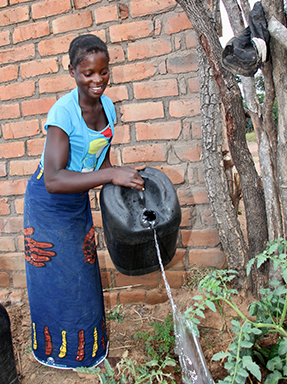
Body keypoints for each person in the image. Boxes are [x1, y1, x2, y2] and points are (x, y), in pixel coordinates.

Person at [24, 34, 144, 370]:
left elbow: (101, 162)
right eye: (87, 73)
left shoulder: (107, 107)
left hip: (75, 203)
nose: (97, 80)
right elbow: (54, 178)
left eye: (103, 72)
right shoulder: (63, 113)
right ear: (73, 71)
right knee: (60, 282)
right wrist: (111, 175)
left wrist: (122, 185)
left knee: (85, 280)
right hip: (48, 206)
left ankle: (93, 353)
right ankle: (57, 356)